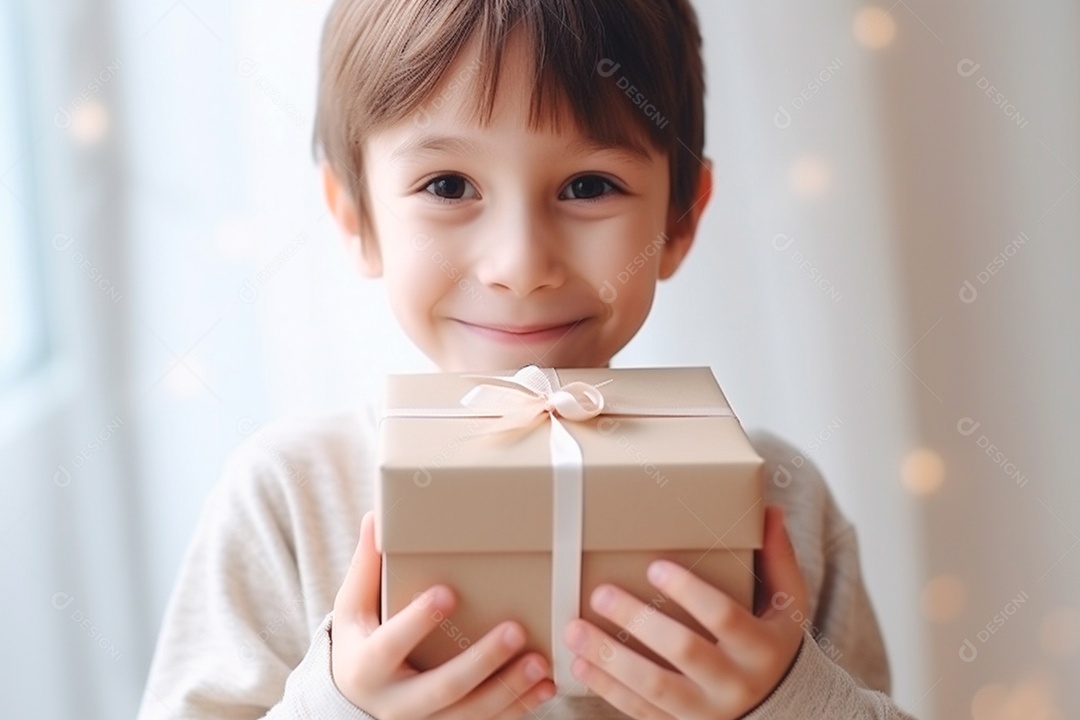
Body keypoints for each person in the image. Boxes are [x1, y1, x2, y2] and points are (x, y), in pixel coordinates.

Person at [137, 1, 919, 718]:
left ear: (679, 219)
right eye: (448, 184)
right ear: (356, 216)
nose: (520, 263)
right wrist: (339, 706)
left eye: (588, 184)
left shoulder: (773, 496)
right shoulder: (289, 500)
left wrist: (789, 701)